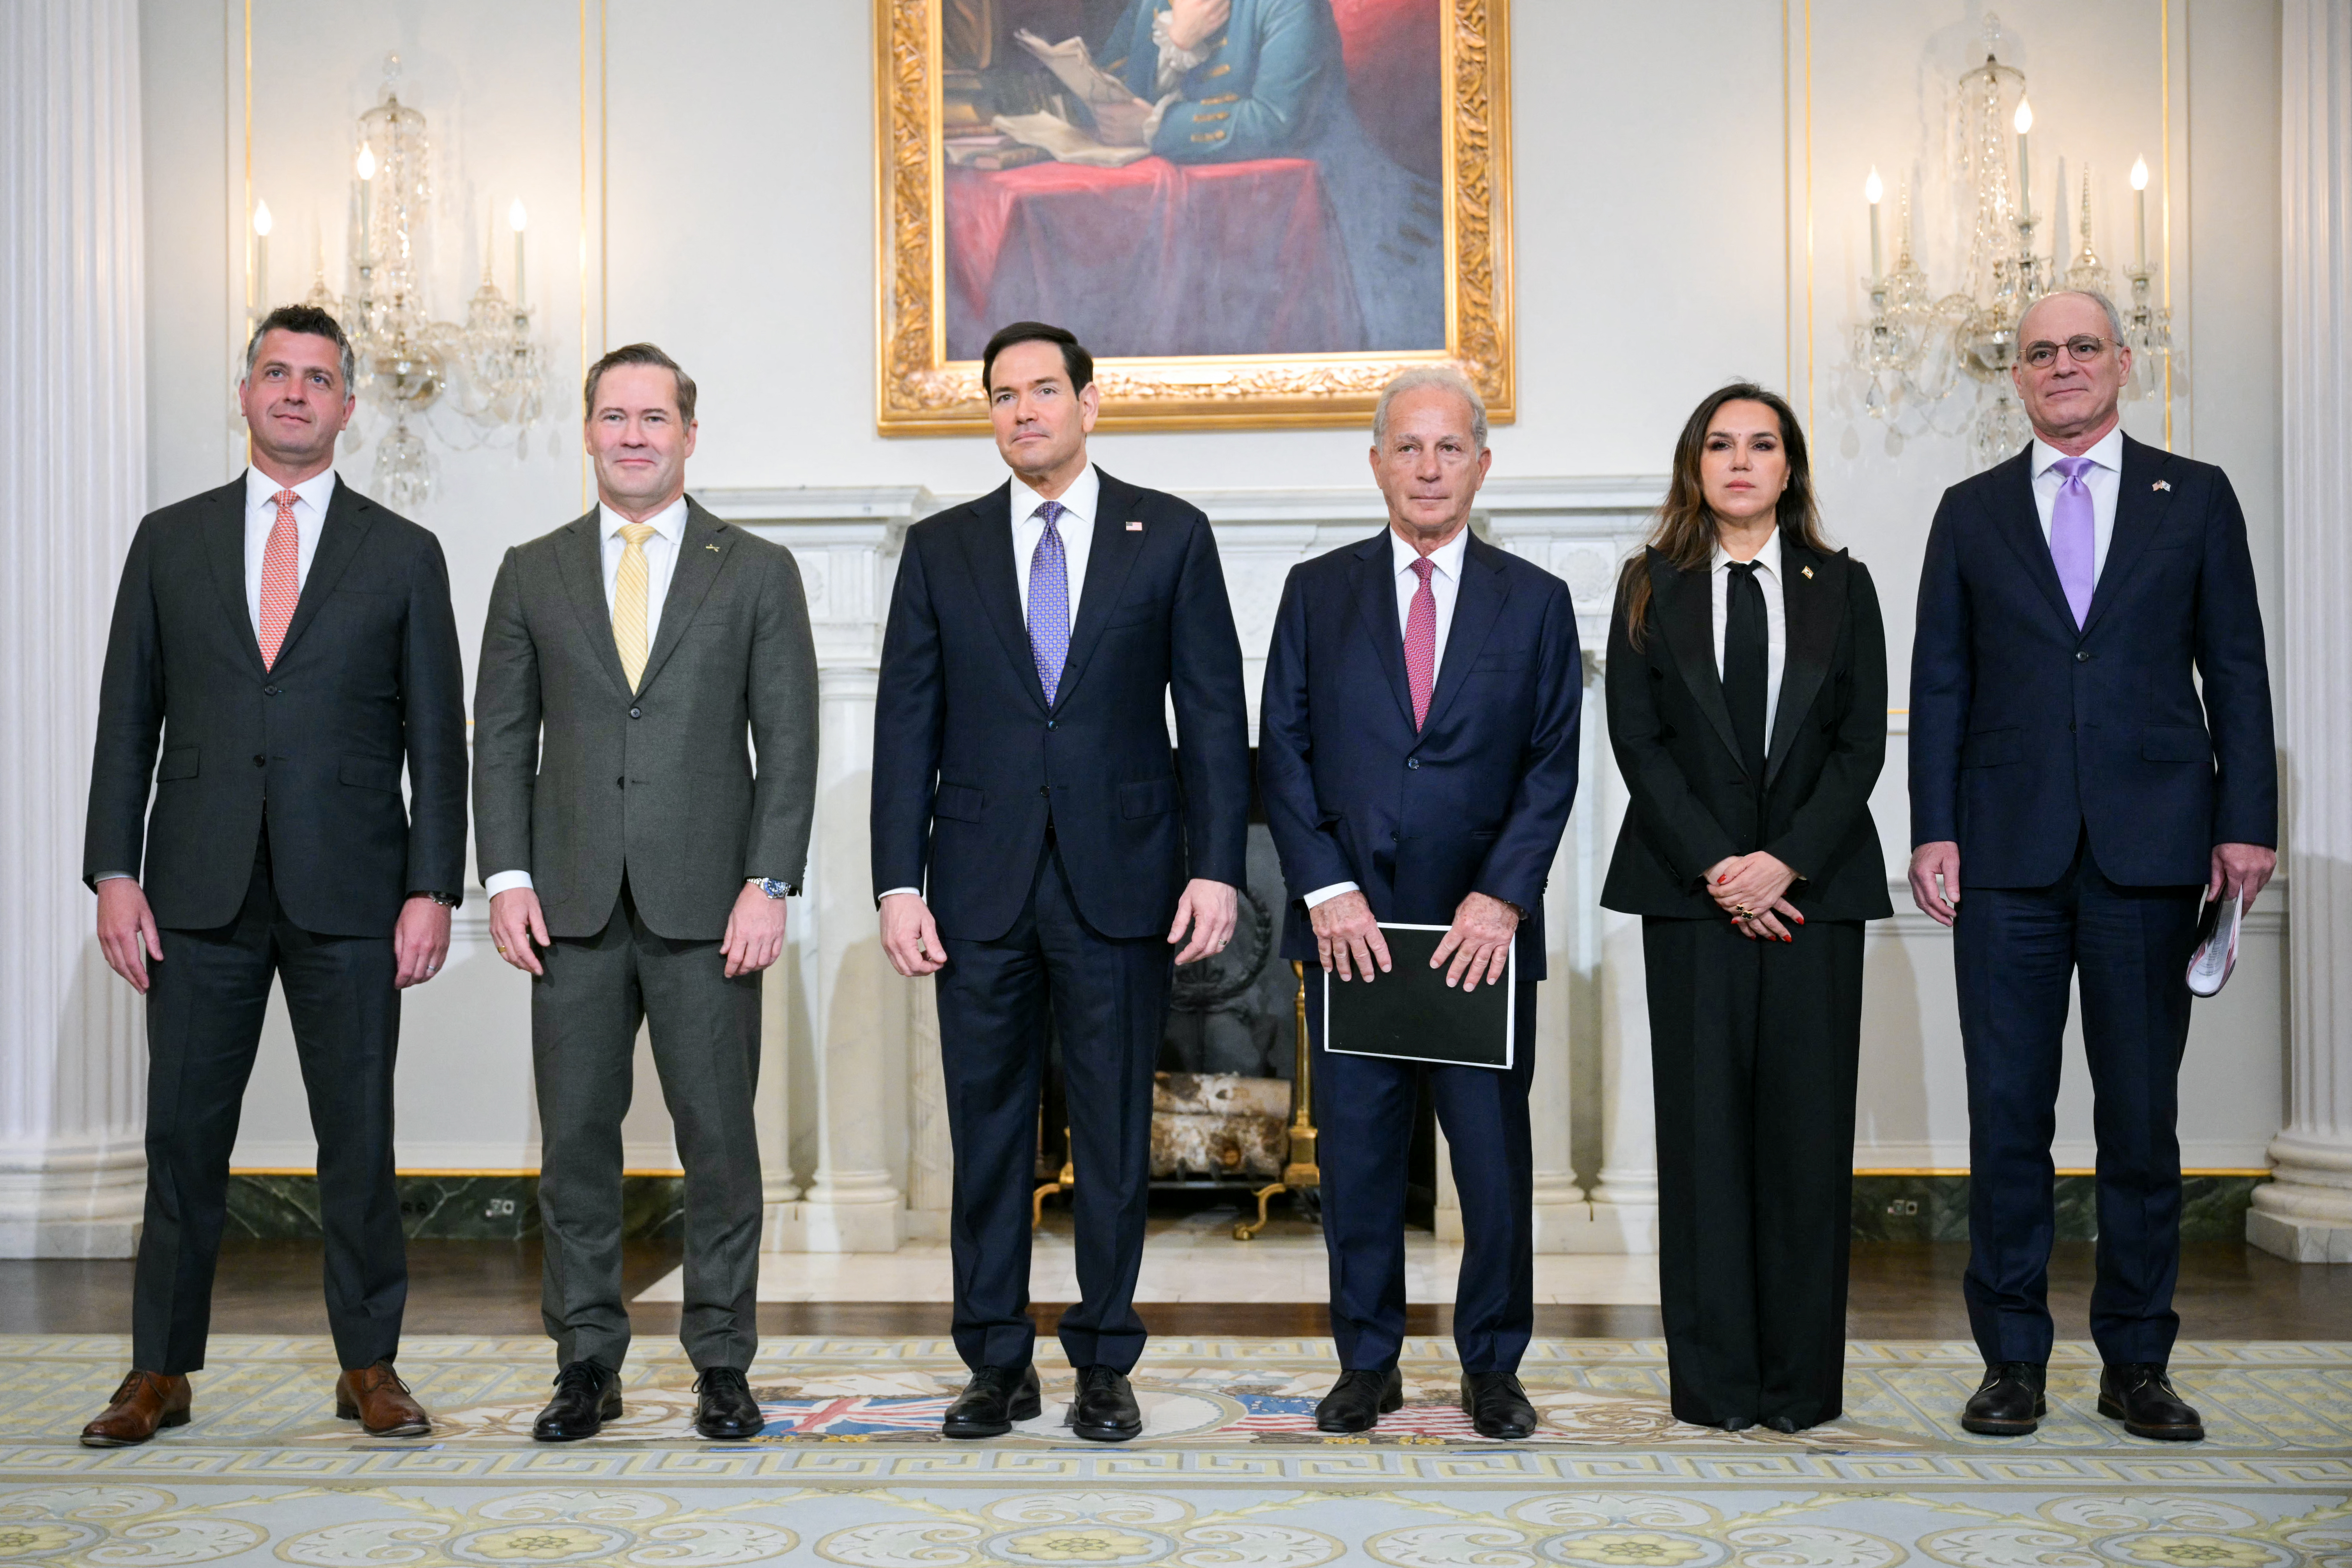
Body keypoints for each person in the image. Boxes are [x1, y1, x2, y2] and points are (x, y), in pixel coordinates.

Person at [79, 304, 468, 1447]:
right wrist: (113, 866)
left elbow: (435, 739)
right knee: (182, 1136)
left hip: (353, 888)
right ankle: (159, 1368)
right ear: (245, 392)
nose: (296, 392)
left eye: (319, 378)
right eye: (276, 373)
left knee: (359, 1132)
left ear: (349, 404)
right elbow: (125, 720)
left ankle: (368, 1362)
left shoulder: (404, 553)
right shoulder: (170, 539)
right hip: (194, 886)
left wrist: (431, 884)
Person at [872, 321, 1251, 1441]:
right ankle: (994, 1360)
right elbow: (906, 726)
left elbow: (1215, 714)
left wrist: (1217, 865)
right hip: (976, 885)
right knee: (985, 1131)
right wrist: (899, 881)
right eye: (1003, 394)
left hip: (1123, 880)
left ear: (1091, 402)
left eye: (1044, 390)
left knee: (1110, 1129)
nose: (1023, 410)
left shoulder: (1168, 534)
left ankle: (1102, 1357)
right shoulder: (940, 548)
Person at [1910, 290, 2276, 1443]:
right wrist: (1931, 827)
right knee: (2006, 1115)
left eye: (2081, 347)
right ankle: (2011, 1359)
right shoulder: (1967, 512)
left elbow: (2238, 667)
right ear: (2012, 378)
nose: (2060, 366)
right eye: (2037, 354)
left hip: (2151, 846)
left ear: (2121, 361)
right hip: (2005, 854)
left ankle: (2136, 1362)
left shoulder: (2195, 495)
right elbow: (1939, 687)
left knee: (2140, 1118)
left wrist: (2245, 818)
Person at [472, 343, 818, 1443]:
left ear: (688, 433)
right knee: (577, 1138)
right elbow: (500, 737)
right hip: (566, 904)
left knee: (718, 1140)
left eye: (653, 416)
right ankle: (586, 1360)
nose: (632, 434)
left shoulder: (756, 568)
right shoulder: (532, 567)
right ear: (586, 432)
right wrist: (507, 874)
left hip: (711, 905)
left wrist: (770, 881)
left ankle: (721, 1358)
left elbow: (792, 742)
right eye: (613, 416)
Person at [1257, 366, 1581, 1440]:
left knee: (1489, 1167)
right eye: (1409, 447)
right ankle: (1368, 1359)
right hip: (1353, 940)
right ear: (1377, 463)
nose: (1429, 467)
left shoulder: (1534, 601)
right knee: (1354, 1163)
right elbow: (1285, 751)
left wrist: (1503, 895)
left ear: (1481, 465)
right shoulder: (1316, 591)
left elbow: (1550, 764)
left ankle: (1492, 1364)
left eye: (1450, 448)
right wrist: (1326, 886)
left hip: (1477, 943)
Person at [1601, 382, 1891, 1433]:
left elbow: (1859, 745)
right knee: (1704, 1144)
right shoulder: (1648, 585)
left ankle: (1798, 1389)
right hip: (1689, 901)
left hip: (1815, 901)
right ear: (1693, 465)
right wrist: (1727, 869)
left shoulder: (1841, 585)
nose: (1738, 461)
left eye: (1759, 445)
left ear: (1788, 467)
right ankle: (1715, 1387)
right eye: (1718, 445)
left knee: (1805, 1145)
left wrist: (1785, 864)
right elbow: (1639, 745)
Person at [1090, 0, 1444, 349]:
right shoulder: (1149, 5)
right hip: (1215, 215)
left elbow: (1275, 122)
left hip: (1335, 211)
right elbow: (1106, 84)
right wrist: (1179, 40)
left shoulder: (1290, 5)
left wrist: (1157, 126)